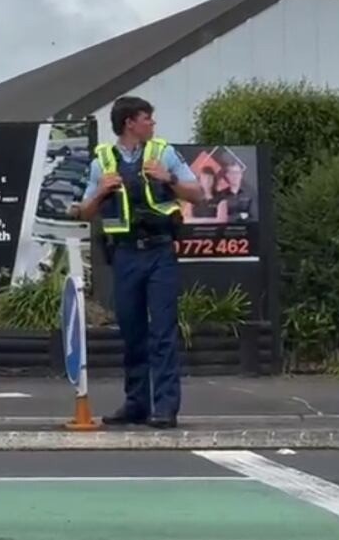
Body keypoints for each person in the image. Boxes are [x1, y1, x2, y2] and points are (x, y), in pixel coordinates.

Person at [77, 96, 203, 429]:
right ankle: (136, 404)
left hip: (160, 251)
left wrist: (168, 178)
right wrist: (100, 192)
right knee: (132, 332)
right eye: (147, 118)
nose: (153, 124)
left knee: (162, 332)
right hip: (125, 254)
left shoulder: (163, 152)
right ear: (130, 123)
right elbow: (84, 213)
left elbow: (198, 193)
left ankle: (165, 408)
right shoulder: (102, 161)